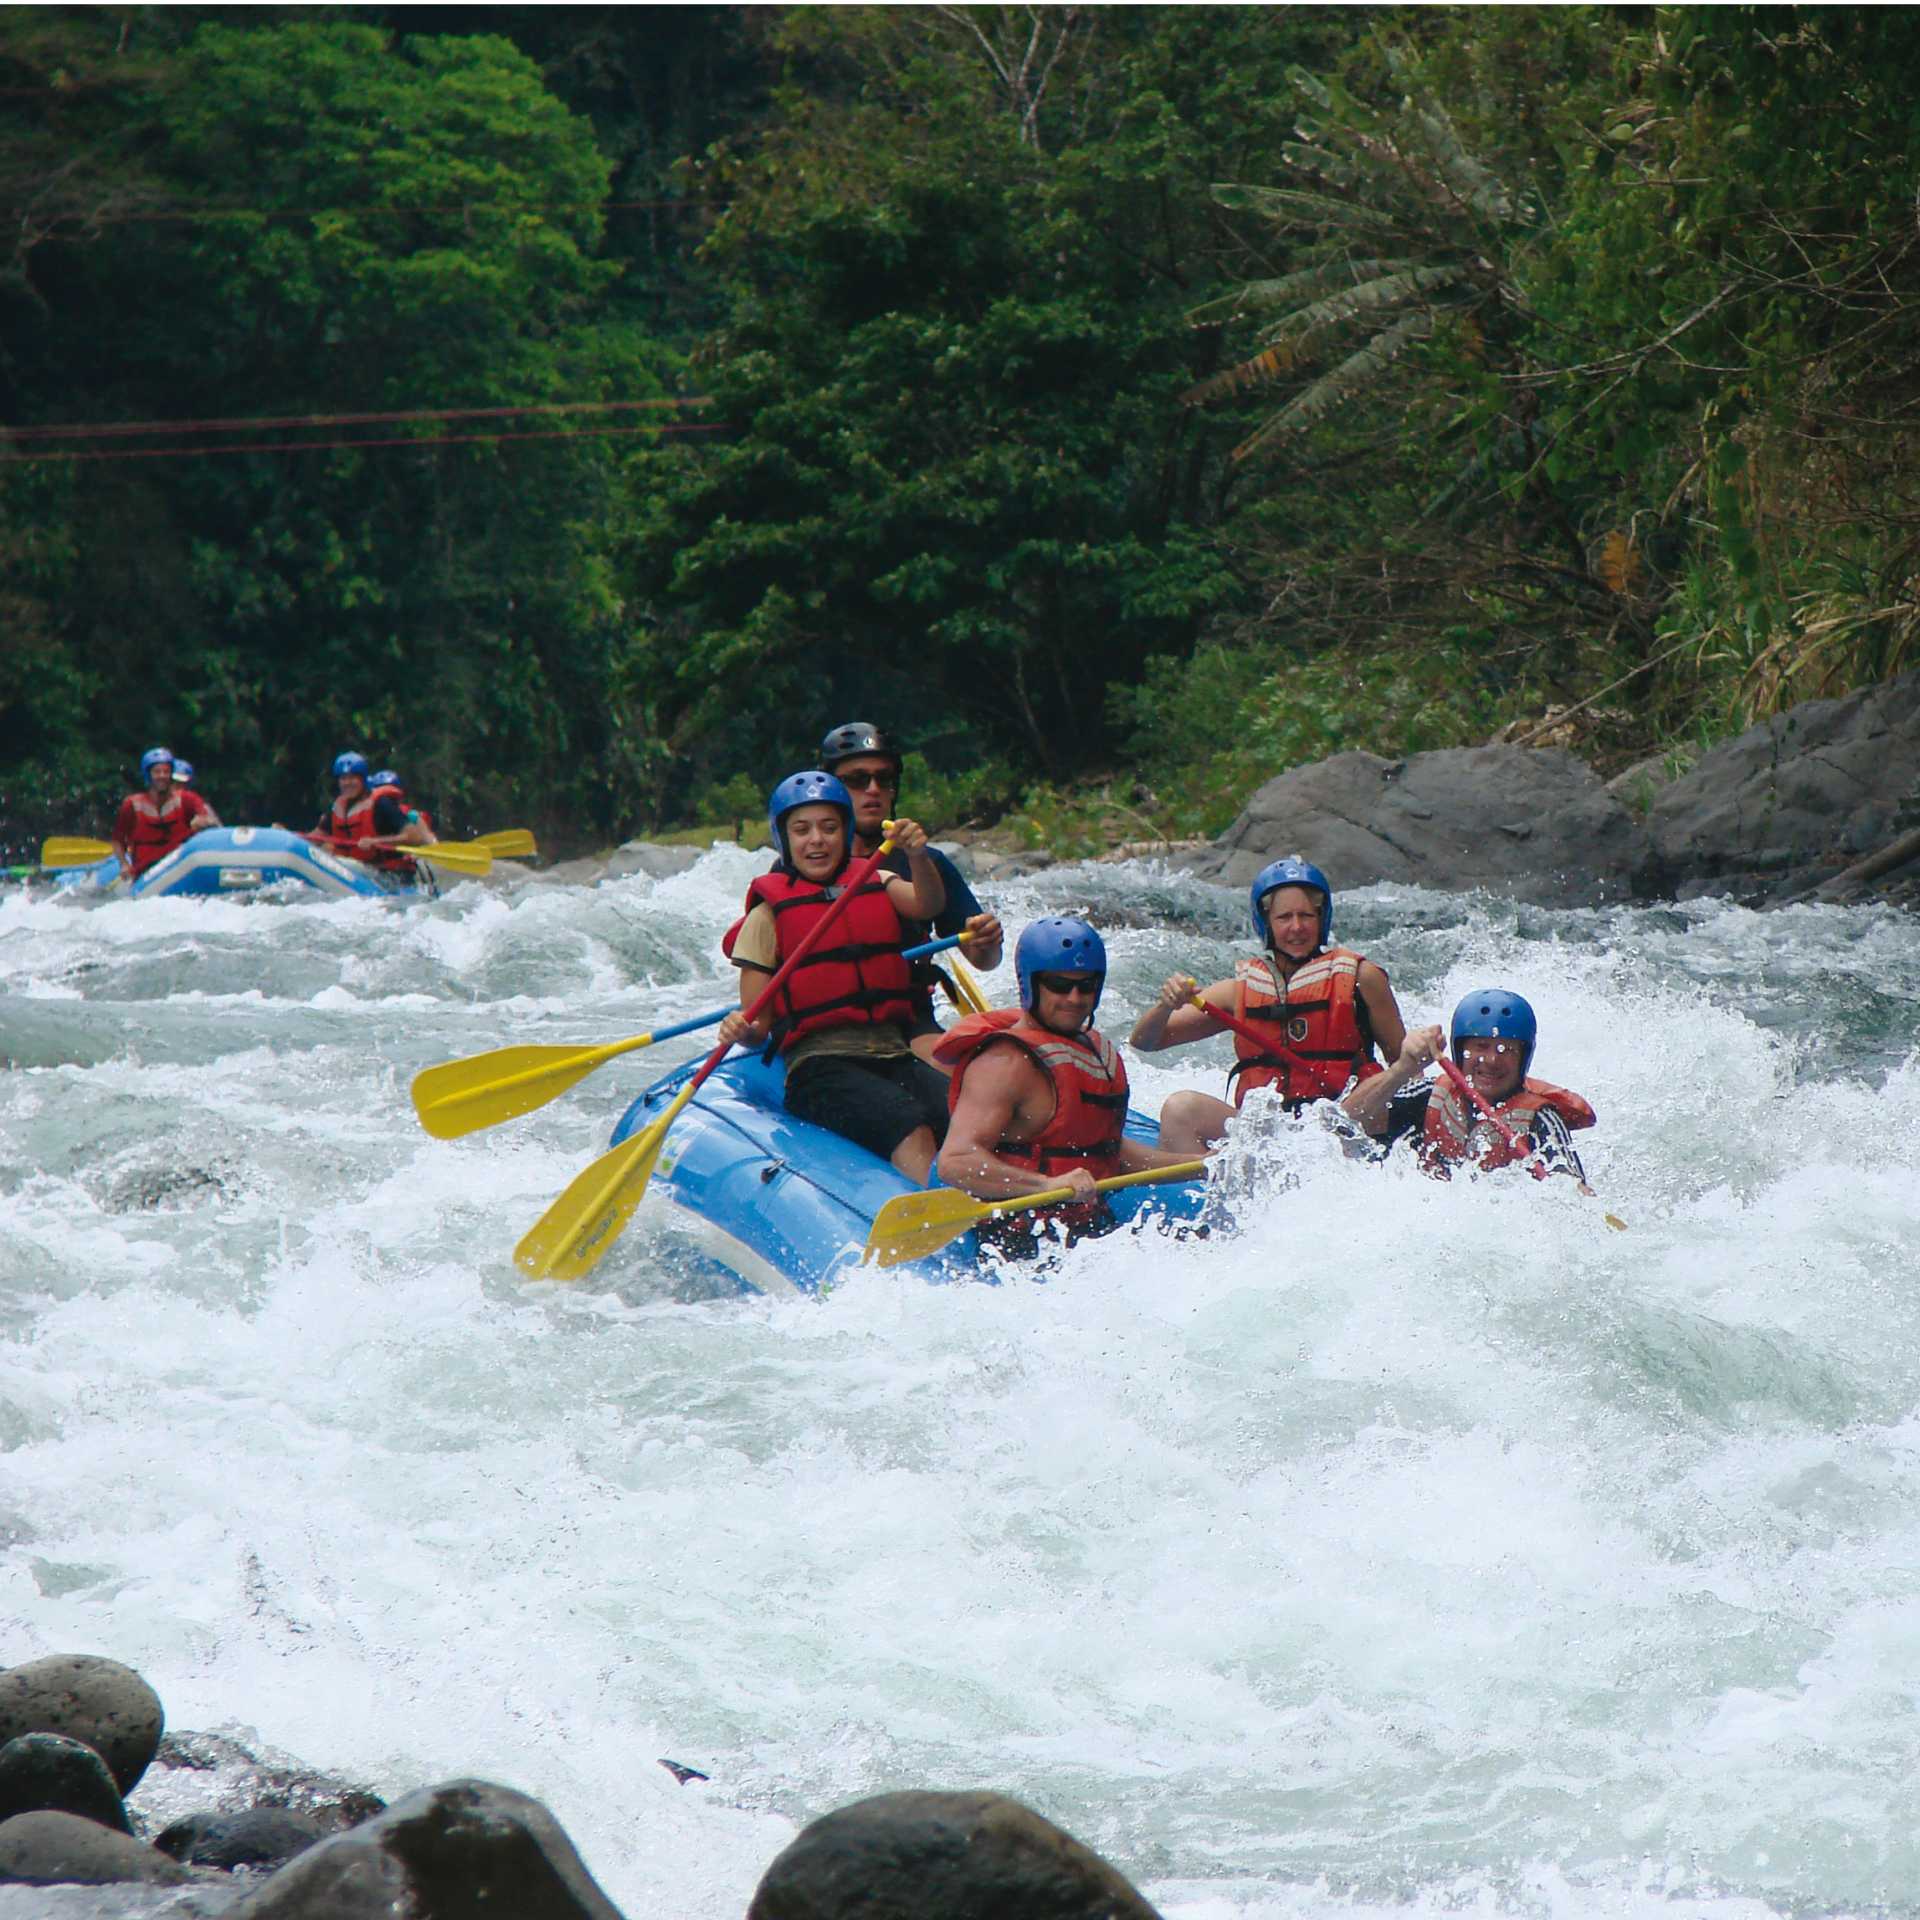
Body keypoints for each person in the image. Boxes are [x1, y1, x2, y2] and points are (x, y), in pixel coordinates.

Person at [717, 771, 951, 1182]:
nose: (817, 840)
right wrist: (742, 1028)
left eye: (829, 828)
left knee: (963, 1111)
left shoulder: (875, 879)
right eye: (801, 830)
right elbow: (759, 1024)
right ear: (784, 839)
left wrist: (917, 856)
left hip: (892, 1054)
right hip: (818, 1069)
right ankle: (938, 1227)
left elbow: (926, 904)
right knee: (910, 1124)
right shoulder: (766, 916)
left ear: (845, 831)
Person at [936, 916, 1200, 1254]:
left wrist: (1203, 1163)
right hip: (1018, 1237)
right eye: (1059, 985)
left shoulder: (1095, 1050)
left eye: (1086, 985)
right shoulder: (1004, 1063)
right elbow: (955, 1162)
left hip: (1086, 1224)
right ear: (1030, 984)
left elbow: (1108, 1153)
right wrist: (1046, 1183)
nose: (1074, 998)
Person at [1129, 855, 1406, 1154]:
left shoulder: (1363, 979)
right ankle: (1204, 1192)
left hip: (1341, 1126)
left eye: (1306, 916)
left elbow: (1405, 1070)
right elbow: (1145, 1042)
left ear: (1322, 918)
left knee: (1379, 1088)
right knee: (1180, 1108)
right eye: (1284, 918)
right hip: (1265, 1132)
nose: (1296, 927)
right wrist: (1165, 1005)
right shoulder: (1238, 992)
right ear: (1266, 924)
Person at [817, 720, 1003, 1062]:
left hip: (907, 1020)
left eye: (883, 779)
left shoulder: (926, 864)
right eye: (858, 780)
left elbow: (984, 960)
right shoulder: (801, 870)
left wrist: (987, 941)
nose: (872, 789)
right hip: (823, 1025)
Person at [1339, 987, 1597, 1186]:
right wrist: (1402, 1068)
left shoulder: (1541, 1119)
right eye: (1480, 1047)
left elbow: (1572, 1189)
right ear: (1460, 1051)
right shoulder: (1429, 1096)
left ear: (1523, 1058)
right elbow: (1346, 1122)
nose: (1492, 1060)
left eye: (1506, 1050)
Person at [111, 748, 217, 879]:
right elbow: (117, 840)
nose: (162, 776)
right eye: (157, 772)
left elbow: (206, 817)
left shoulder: (187, 799)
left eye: (166, 772)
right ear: (148, 775)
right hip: (146, 872)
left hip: (179, 864)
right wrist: (124, 864)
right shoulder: (132, 805)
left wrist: (202, 821)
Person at [313, 752, 432, 867]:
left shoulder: (382, 804)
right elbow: (315, 836)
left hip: (389, 874)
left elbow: (414, 837)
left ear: (363, 780)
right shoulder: (338, 808)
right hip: (354, 868)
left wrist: (376, 841)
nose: (347, 783)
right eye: (343, 778)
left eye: (352, 778)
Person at [369, 770, 438, 841]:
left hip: (409, 847)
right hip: (379, 848)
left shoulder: (410, 814)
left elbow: (428, 839)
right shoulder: (369, 813)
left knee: (414, 816)